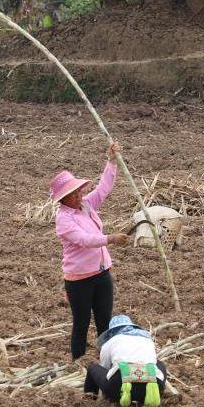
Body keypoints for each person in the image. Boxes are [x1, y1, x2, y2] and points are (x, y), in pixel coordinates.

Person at [50, 140, 130, 361]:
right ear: (62, 199)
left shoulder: (86, 205)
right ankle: (78, 362)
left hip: (102, 273)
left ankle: (106, 359)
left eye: (78, 191)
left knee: (105, 321)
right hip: (79, 281)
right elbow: (84, 240)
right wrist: (111, 239)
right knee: (82, 323)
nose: (78, 196)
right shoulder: (63, 220)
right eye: (73, 194)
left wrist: (111, 160)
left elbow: (104, 189)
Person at [84, 315, 167, 407]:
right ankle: (156, 395)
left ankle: (90, 401)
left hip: (119, 388)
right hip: (152, 386)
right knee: (159, 363)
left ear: (112, 331)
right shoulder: (148, 340)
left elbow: (105, 369)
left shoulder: (110, 342)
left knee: (92, 368)